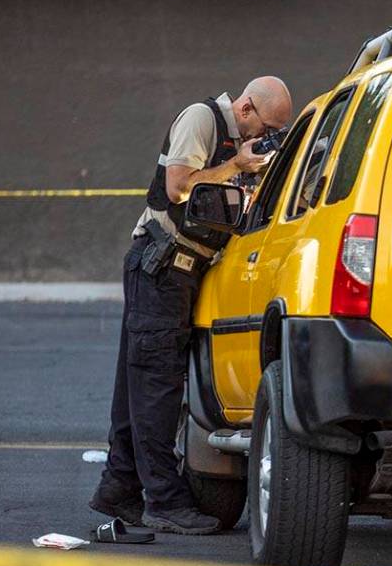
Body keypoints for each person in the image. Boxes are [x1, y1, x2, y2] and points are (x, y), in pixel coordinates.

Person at [90, 77, 294, 535]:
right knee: (157, 389)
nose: (264, 137)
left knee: (136, 387)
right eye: (267, 126)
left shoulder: (237, 141)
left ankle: (118, 487)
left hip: (178, 272)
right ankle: (163, 501)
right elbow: (179, 186)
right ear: (245, 109)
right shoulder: (202, 120)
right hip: (161, 266)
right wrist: (236, 164)